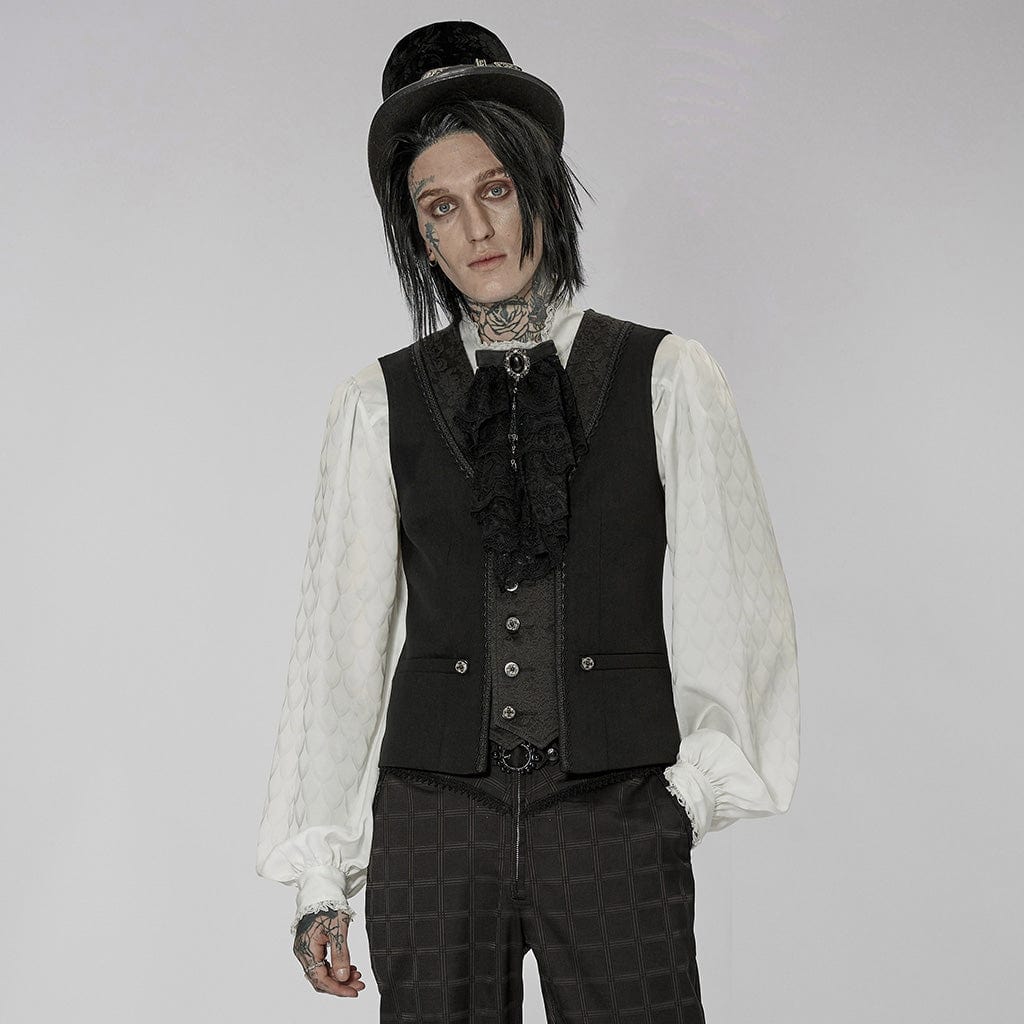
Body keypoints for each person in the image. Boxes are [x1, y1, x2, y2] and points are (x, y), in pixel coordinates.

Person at [256, 20, 800, 1023]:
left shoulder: (667, 377)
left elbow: (738, 605)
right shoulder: (376, 405)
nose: (477, 229)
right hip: (432, 827)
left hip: (613, 818)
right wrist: (320, 873)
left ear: (540, 188)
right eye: (441, 207)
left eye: (496, 189)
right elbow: (339, 646)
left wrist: (684, 801)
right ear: (420, 235)